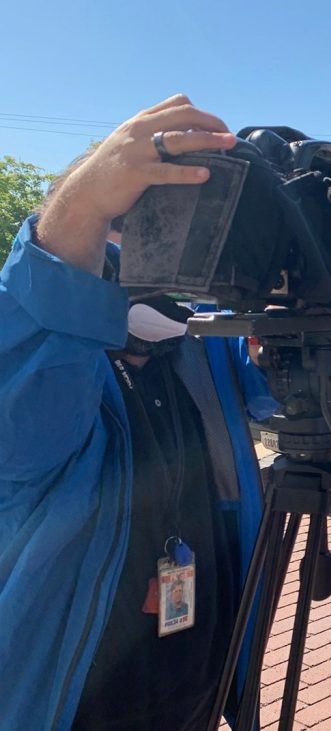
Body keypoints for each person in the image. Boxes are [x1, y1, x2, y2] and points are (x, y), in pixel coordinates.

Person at [0, 95, 276, 730]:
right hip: (82, 695)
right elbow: (23, 427)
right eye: (136, 225)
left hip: (199, 675)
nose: (163, 253)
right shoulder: (47, 360)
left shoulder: (196, 350)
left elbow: (275, 398)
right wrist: (82, 206)